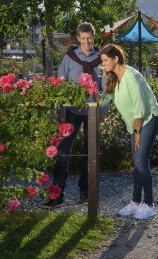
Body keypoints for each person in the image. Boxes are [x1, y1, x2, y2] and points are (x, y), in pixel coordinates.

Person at [96, 44, 158, 220]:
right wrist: (89, 90)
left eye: (105, 61)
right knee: (137, 162)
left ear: (115, 59)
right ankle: (135, 202)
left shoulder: (131, 76)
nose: (103, 64)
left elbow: (140, 107)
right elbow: (103, 100)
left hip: (148, 119)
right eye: (102, 61)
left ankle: (149, 204)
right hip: (136, 123)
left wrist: (137, 132)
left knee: (140, 160)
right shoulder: (113, 78)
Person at [43, 22, 103, 208]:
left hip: (93, 110)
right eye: (83, 39)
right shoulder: (69, 58)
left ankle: (86, 193)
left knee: (90, 153)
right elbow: (60, 84)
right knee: (62, 152)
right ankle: (57, 196)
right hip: (72, 111)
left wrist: (103, 110)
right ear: (78, 38)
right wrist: (60, 108)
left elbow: (107, 86)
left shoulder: (102, 58)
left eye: (89, 38)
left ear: (94, 37)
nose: (86, 42)